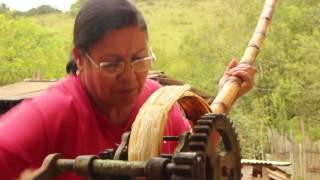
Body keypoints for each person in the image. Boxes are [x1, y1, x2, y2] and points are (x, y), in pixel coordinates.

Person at [0, 0, 256, 179]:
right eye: (112, 64)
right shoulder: (52, 114)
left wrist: (227, 95)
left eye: (139, 59)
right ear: (80, 59)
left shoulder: (157, 104)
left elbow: (195, 157)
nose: (130, 76)